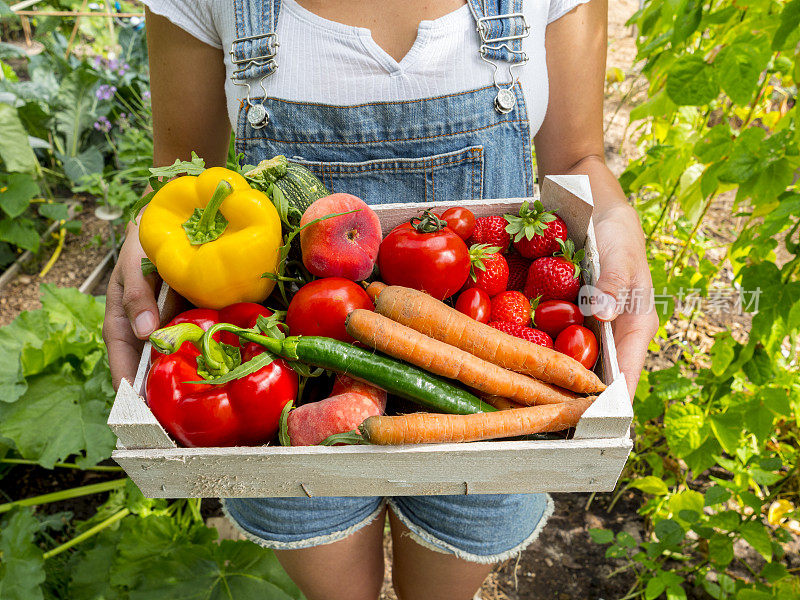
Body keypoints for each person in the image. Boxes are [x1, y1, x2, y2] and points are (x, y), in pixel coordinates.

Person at [102, 1, 658, 598]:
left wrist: (616, 217)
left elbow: (578, 159)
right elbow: (185, 181)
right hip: (286, 385)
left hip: (485, 418)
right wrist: (149, 237)